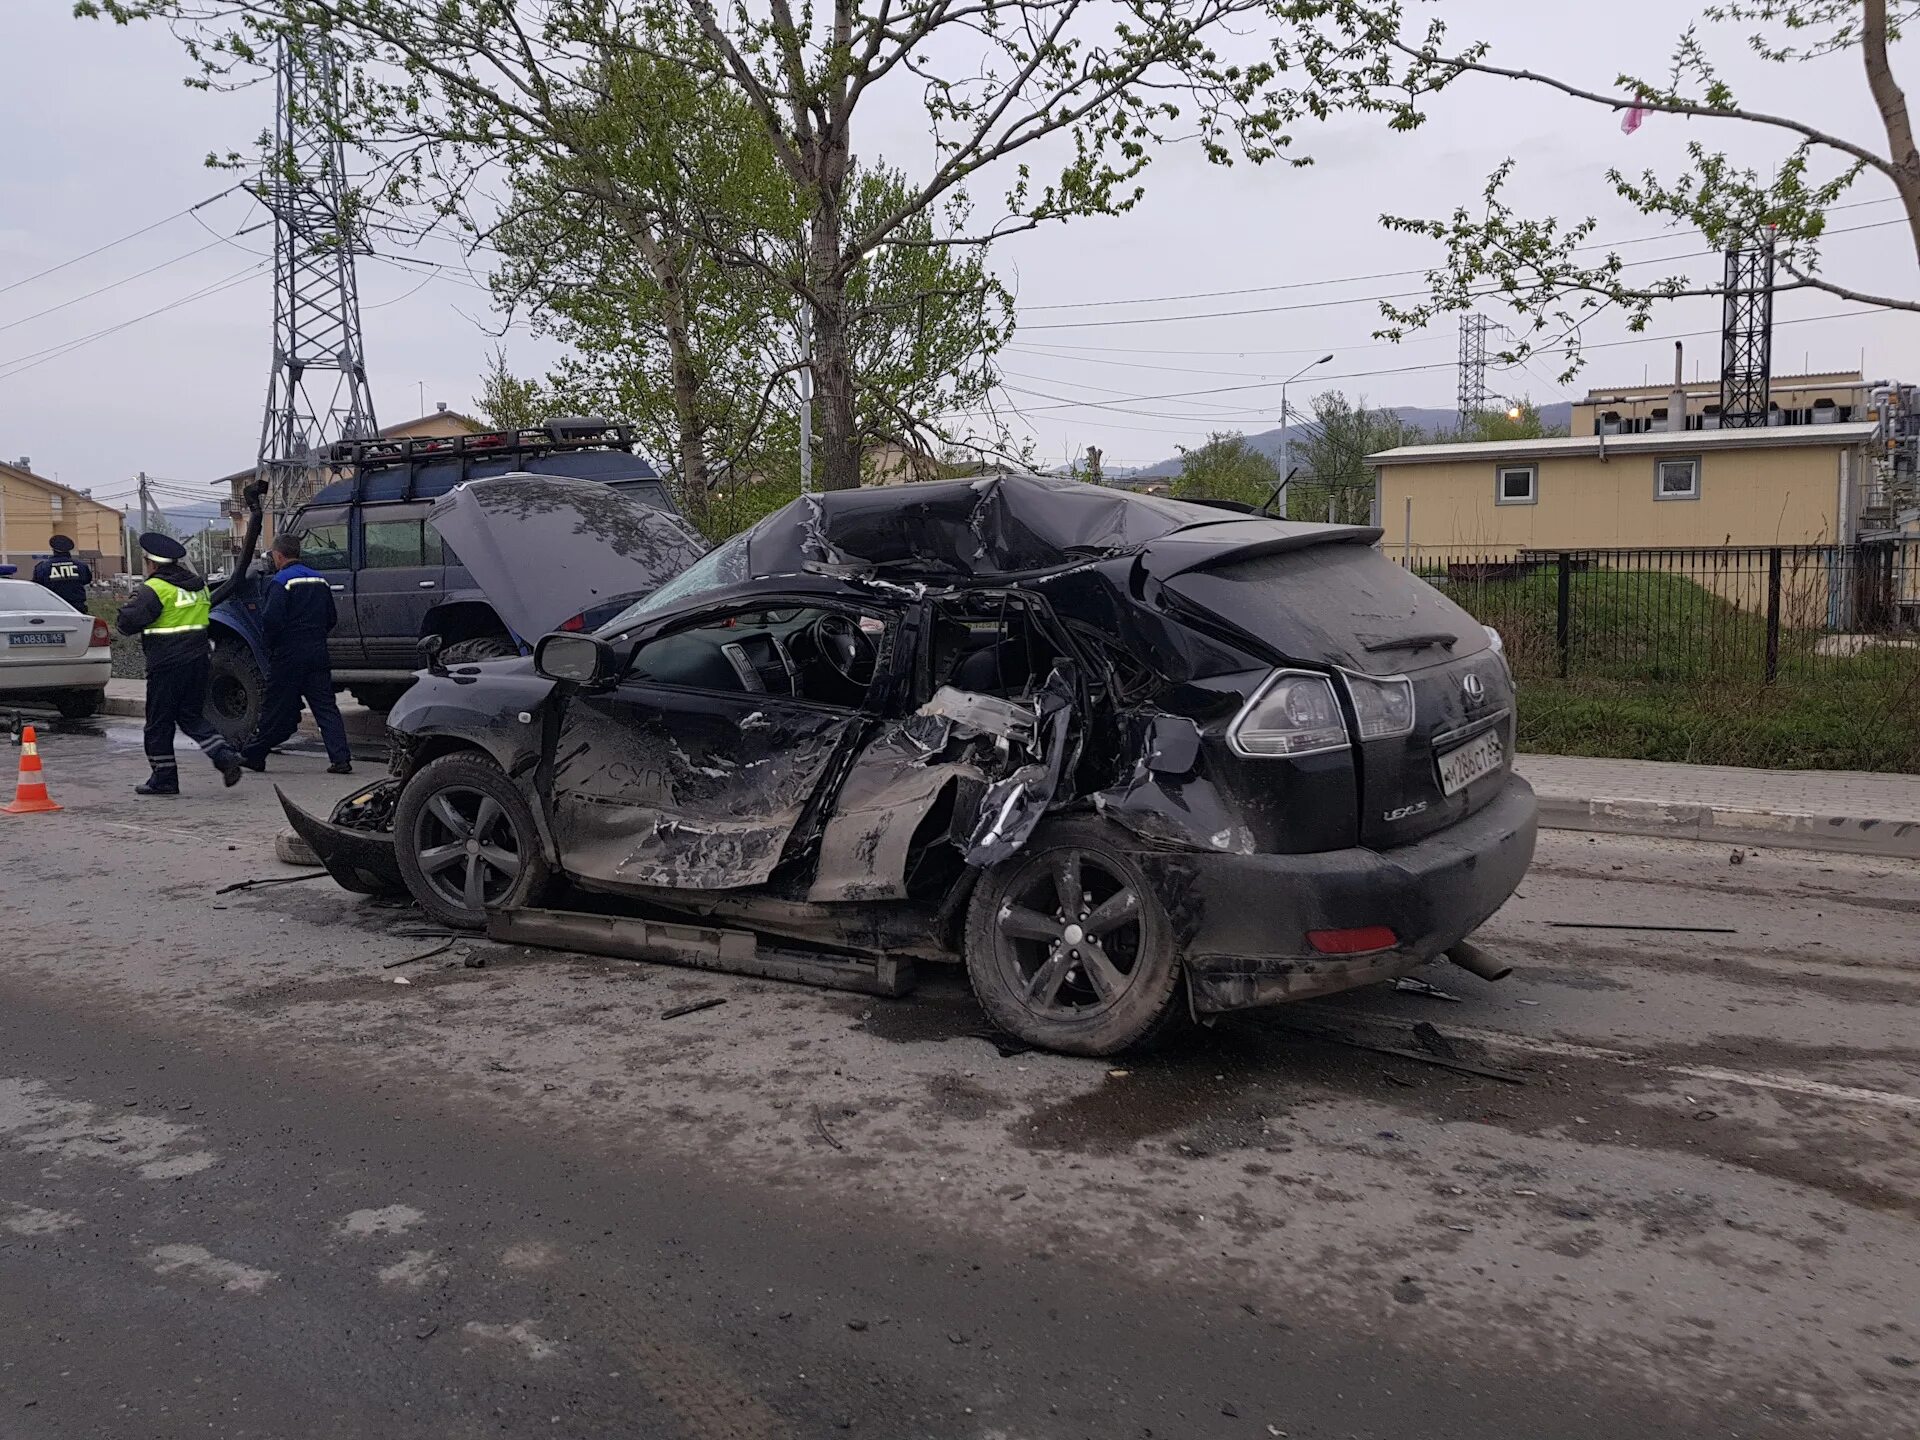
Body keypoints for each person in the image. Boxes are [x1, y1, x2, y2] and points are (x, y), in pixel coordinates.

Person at [116, 532, 244, 795]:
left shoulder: (155, 589)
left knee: (158, 722)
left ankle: (164, 778)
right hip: (198, 661)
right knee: (190, 716)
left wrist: (128, 605)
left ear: (152, 563)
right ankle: (224, 755)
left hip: (167, 664)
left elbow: (126, 624)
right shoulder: (198, 586)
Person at [240, 534, 352, 776]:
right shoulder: (320, 579)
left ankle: (254, 755)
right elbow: (331, 617)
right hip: (317, 651)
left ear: (279, 556)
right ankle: (341, 758)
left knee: (275, 707)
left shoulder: (281, 581)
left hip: (289, 655)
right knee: (325, 707)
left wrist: (270, 646)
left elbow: (271, 621)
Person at [32, 535, 92, 612]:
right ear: (69, 550)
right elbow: (87, 580)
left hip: (52, 608)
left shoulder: (43, 567)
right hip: (76, 608)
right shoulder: (81, 565)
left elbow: (38, 585)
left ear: (53, 549)